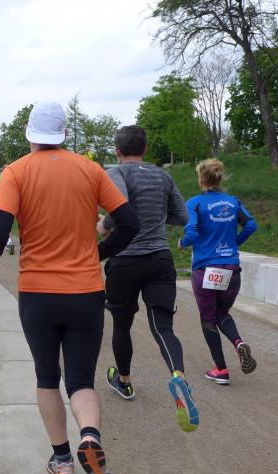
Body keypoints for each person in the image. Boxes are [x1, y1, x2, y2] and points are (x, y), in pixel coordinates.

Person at [0, 101, 139, 474]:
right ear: (64, 133)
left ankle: (64, 462)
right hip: (86, 292)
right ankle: (90, 436)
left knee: (48, 377)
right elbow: (130, 223)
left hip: (38, 294)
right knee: (81, 381)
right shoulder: (90, 169)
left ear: (30, 133)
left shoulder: (16, 172)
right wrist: (98, 253)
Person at [97, 125, 198, 433]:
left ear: (117, 150)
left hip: (126, 261)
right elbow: (182, 216)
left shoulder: (117, 172)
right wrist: (156, 216)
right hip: (160, 259)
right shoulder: (162, 176)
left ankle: (125, 381)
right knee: (163, 327)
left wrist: (104, 226)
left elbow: (121, 206)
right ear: (146, 149)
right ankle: (178, 376)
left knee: (122, 325)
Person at [180, 158, 258, 385]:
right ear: (219, 178)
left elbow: (192, 234)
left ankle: (221, 369)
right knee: (221, 314)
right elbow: (251, 225)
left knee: (207, 318)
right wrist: (235, 243)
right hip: (231, 268)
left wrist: (182, 243)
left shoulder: (195, 203)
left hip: (206, 269)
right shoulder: (233, 202)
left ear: (201, 179)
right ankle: (238, 343)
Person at [0, 167, 15, 255]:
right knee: (10, 222)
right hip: (12, 202)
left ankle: (4, 241)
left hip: (1, 202)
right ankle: (10, 240)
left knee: (1, 222)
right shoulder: (13, 177)